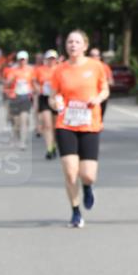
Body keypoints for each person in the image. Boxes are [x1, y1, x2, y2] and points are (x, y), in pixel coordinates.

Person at [49, 29, 109, 228]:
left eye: (76, 42)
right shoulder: (59, 70)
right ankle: (75, 211)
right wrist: (55, 103)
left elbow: (104, 90)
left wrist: (97, 99)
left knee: (88, 174)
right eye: (69, 42)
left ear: (85, 45)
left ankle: (88, 186)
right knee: (70, 172)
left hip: (90, 124)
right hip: (66, 124)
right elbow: (52, 96)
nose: (72, 45)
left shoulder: (96, 66)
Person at [6, 51, 35, 150]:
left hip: (26, 97)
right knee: (17, 122)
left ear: (27, 60)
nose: (22, 61)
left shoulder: (31, 70)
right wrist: (11, 80)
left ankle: (22, 142)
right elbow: (8, 84)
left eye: (24, 59)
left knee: (24, 119)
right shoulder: (13, 70)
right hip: (15, 97)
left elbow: (34, 83)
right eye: (20, 60)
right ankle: (18, 137)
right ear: (18, 60)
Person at [34, 50, 59, 158]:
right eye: (49, 58)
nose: (51, 60)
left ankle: (54, 145)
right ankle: (49, 148)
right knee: (47, 124)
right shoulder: (40, 70)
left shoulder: (60, 69)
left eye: (53, 58)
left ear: (56, 59)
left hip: (57, 99)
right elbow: (34, 81)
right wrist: (38, 88)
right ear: (46, 59)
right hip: (44, 98)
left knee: (56, 126)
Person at [88, 47, 114, 121]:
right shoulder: (85, 66)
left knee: (99, 118)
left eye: (96, 55)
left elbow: (111, 81)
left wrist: (104, 83)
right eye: (92, 55)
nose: (94, 57)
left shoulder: (104, 67)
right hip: (88, 96)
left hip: (101, 96)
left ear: (99, 57)